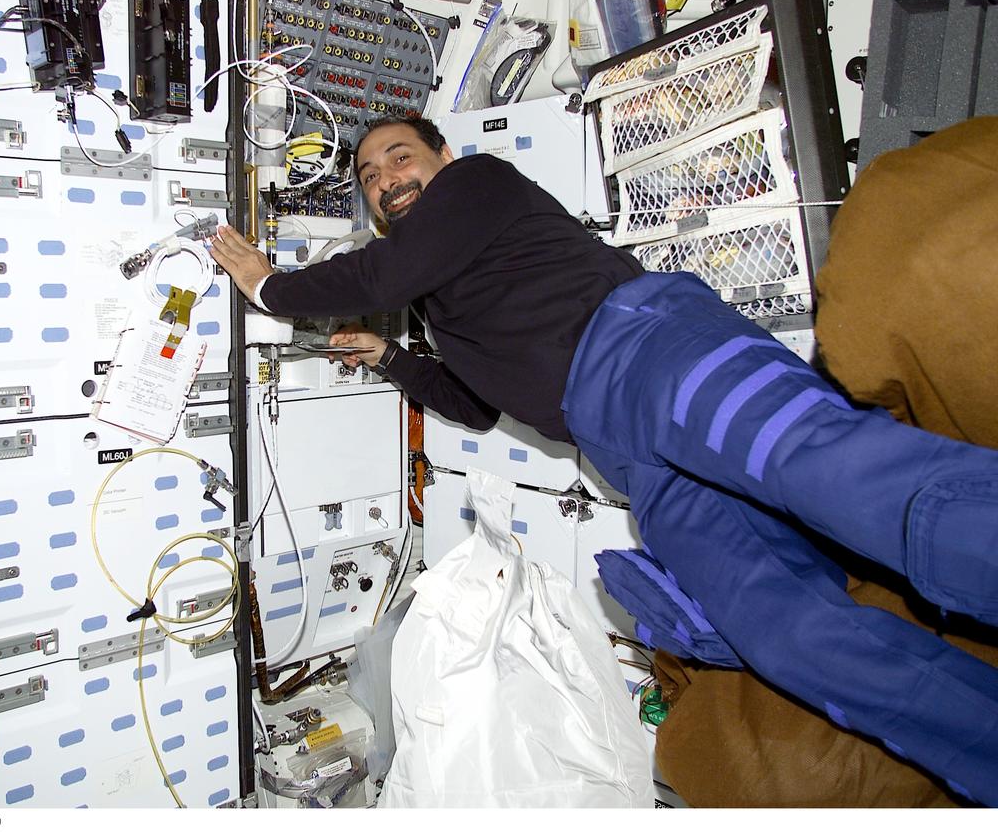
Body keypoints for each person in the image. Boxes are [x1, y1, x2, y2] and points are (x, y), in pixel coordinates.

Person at [208, 116, 998, 805]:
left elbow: (379, 273)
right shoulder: (441, 297)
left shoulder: (478, 186)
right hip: (625, 451)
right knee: (787, 637)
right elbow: (476, 403)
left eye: (400, 156)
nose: (386, 180)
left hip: (656, 348)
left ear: (443, 158)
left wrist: (269, 284)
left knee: (861, 487)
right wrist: (388, 353)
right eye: (371, 178)